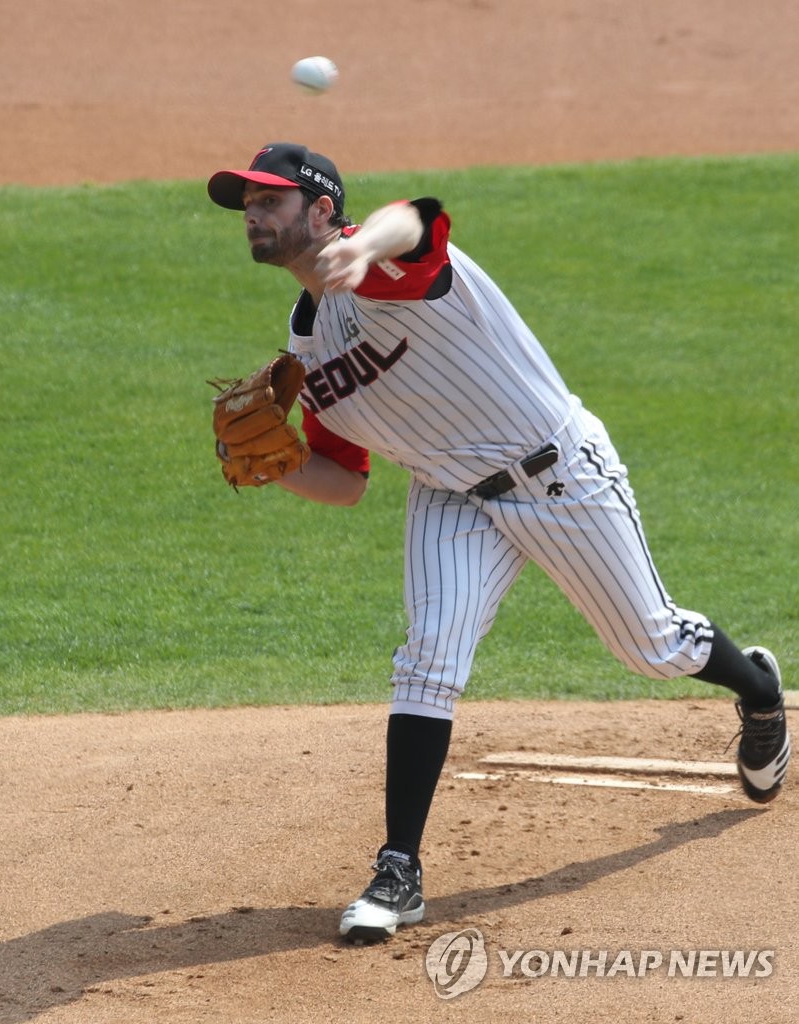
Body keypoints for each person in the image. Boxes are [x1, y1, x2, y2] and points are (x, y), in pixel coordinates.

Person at [206, 142, 791, 944]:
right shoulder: (308, 342)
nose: (253, 213)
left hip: (560, 477)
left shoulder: (383, 264)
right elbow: (344, 480)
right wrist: (275, 467)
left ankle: (758, 688)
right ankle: (399, 870)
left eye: (269, 201)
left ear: (320, 211)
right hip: (450, 495)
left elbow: (419, 217)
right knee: (429, 656)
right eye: (247, 203)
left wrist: (362, 245)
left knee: (649, 644)